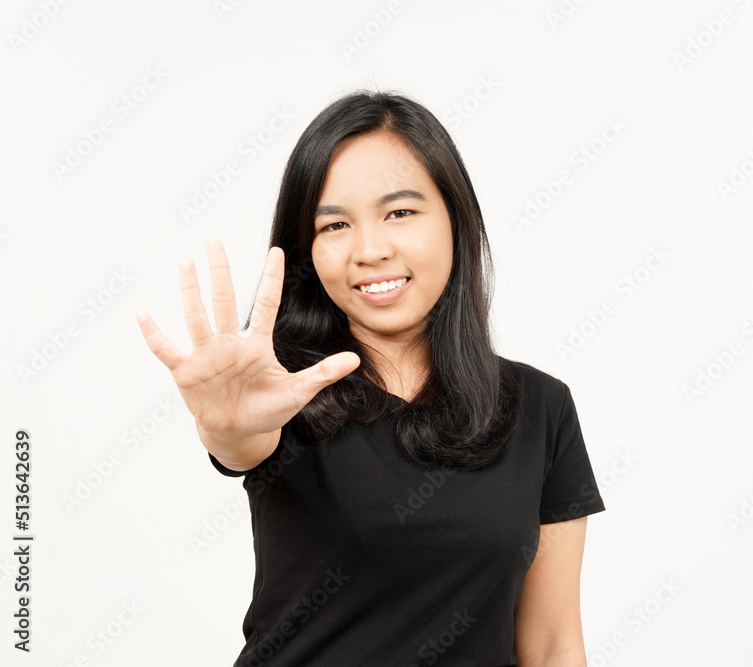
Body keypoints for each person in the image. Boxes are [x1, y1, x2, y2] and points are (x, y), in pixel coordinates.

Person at [135, 90, 606, 666]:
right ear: (307, 249)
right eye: (334, 224)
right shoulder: (281, 389)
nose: (370, 250)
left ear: (455, 219)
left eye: (400, 212)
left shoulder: (541, 407)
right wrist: (227, 427)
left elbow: (554, 644)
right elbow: (241, 442)